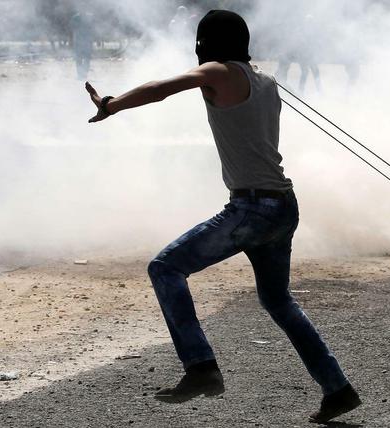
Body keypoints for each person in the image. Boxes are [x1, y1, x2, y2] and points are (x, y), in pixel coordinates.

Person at [84, 10, 361, 424]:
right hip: (283, 206)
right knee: (278, 301)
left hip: (252, 209)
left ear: (206, 44)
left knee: (165, 267)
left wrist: (112, 105)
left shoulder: (218, 72)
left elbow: (160, 90)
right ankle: (337, 389)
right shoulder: (264, 80)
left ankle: (200, 367)